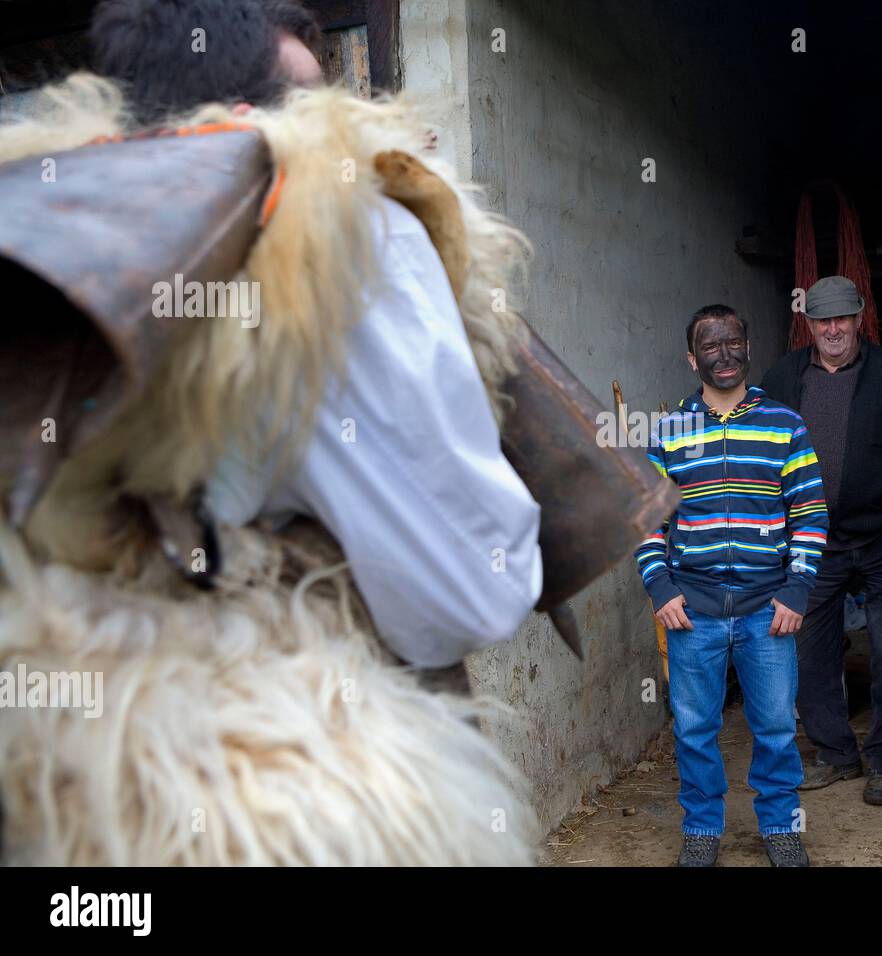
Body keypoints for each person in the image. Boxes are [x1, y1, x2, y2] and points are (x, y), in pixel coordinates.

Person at [0, 0, 543, 864]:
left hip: (59, 785)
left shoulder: (36, 225)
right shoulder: (347, 228)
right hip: (294, 784)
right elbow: (466, 593)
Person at [636, 304, 829, 867]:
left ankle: (781, 826)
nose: (725, 356)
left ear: (748, 347)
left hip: (767, 608)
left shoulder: (784, 424)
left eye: (733, 343)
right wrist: (660, 589)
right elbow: (647, 519)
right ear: (692, 358)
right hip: (690, 611)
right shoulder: (669, 431)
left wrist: (797, 590)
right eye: (711, 347)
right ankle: (701, 829)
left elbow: (811, 513)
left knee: (774, 726)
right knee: (695, 728)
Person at [760, 276, 882, 806]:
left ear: (860, 318)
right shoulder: (784, 376)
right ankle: (835, 753)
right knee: (809, 650)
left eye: (842, 318)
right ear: (807, 324)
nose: (832, 329)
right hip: (813, 541)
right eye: (821, 320)